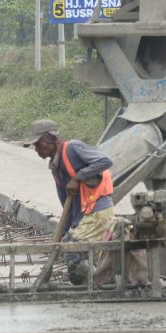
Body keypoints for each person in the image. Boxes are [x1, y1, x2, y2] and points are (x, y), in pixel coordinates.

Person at [24, 119, 144, 287]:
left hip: (97, 211)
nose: (36, 149)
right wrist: (61, 235)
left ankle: (92, 287)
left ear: (48, 140)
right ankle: (93, 284)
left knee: (73, 250)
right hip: (86, 216)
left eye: (38, 145)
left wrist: (77, 177)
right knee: (69, 246)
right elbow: (67, 206)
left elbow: (105, 161)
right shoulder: (56, 168)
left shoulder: (72, 148)